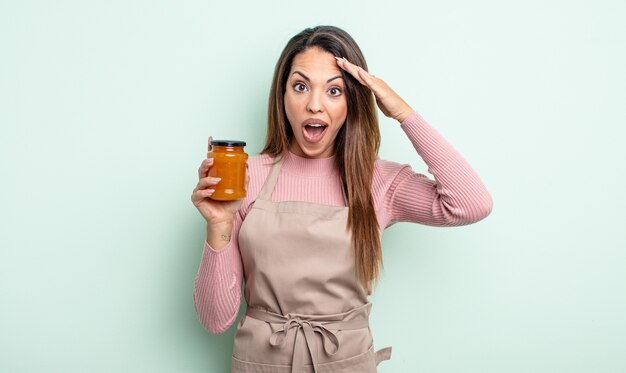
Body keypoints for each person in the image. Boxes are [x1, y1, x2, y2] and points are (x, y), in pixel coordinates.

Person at [191, 25, 493, 373]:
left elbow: (471, 204)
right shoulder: (245, 176)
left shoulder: (377, 181)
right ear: (282, 95)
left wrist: (403, 113)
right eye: (300, 87)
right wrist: (219, 224)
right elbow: (215, 321)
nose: (314, 105)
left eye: (334, 91)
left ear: (352, 101)